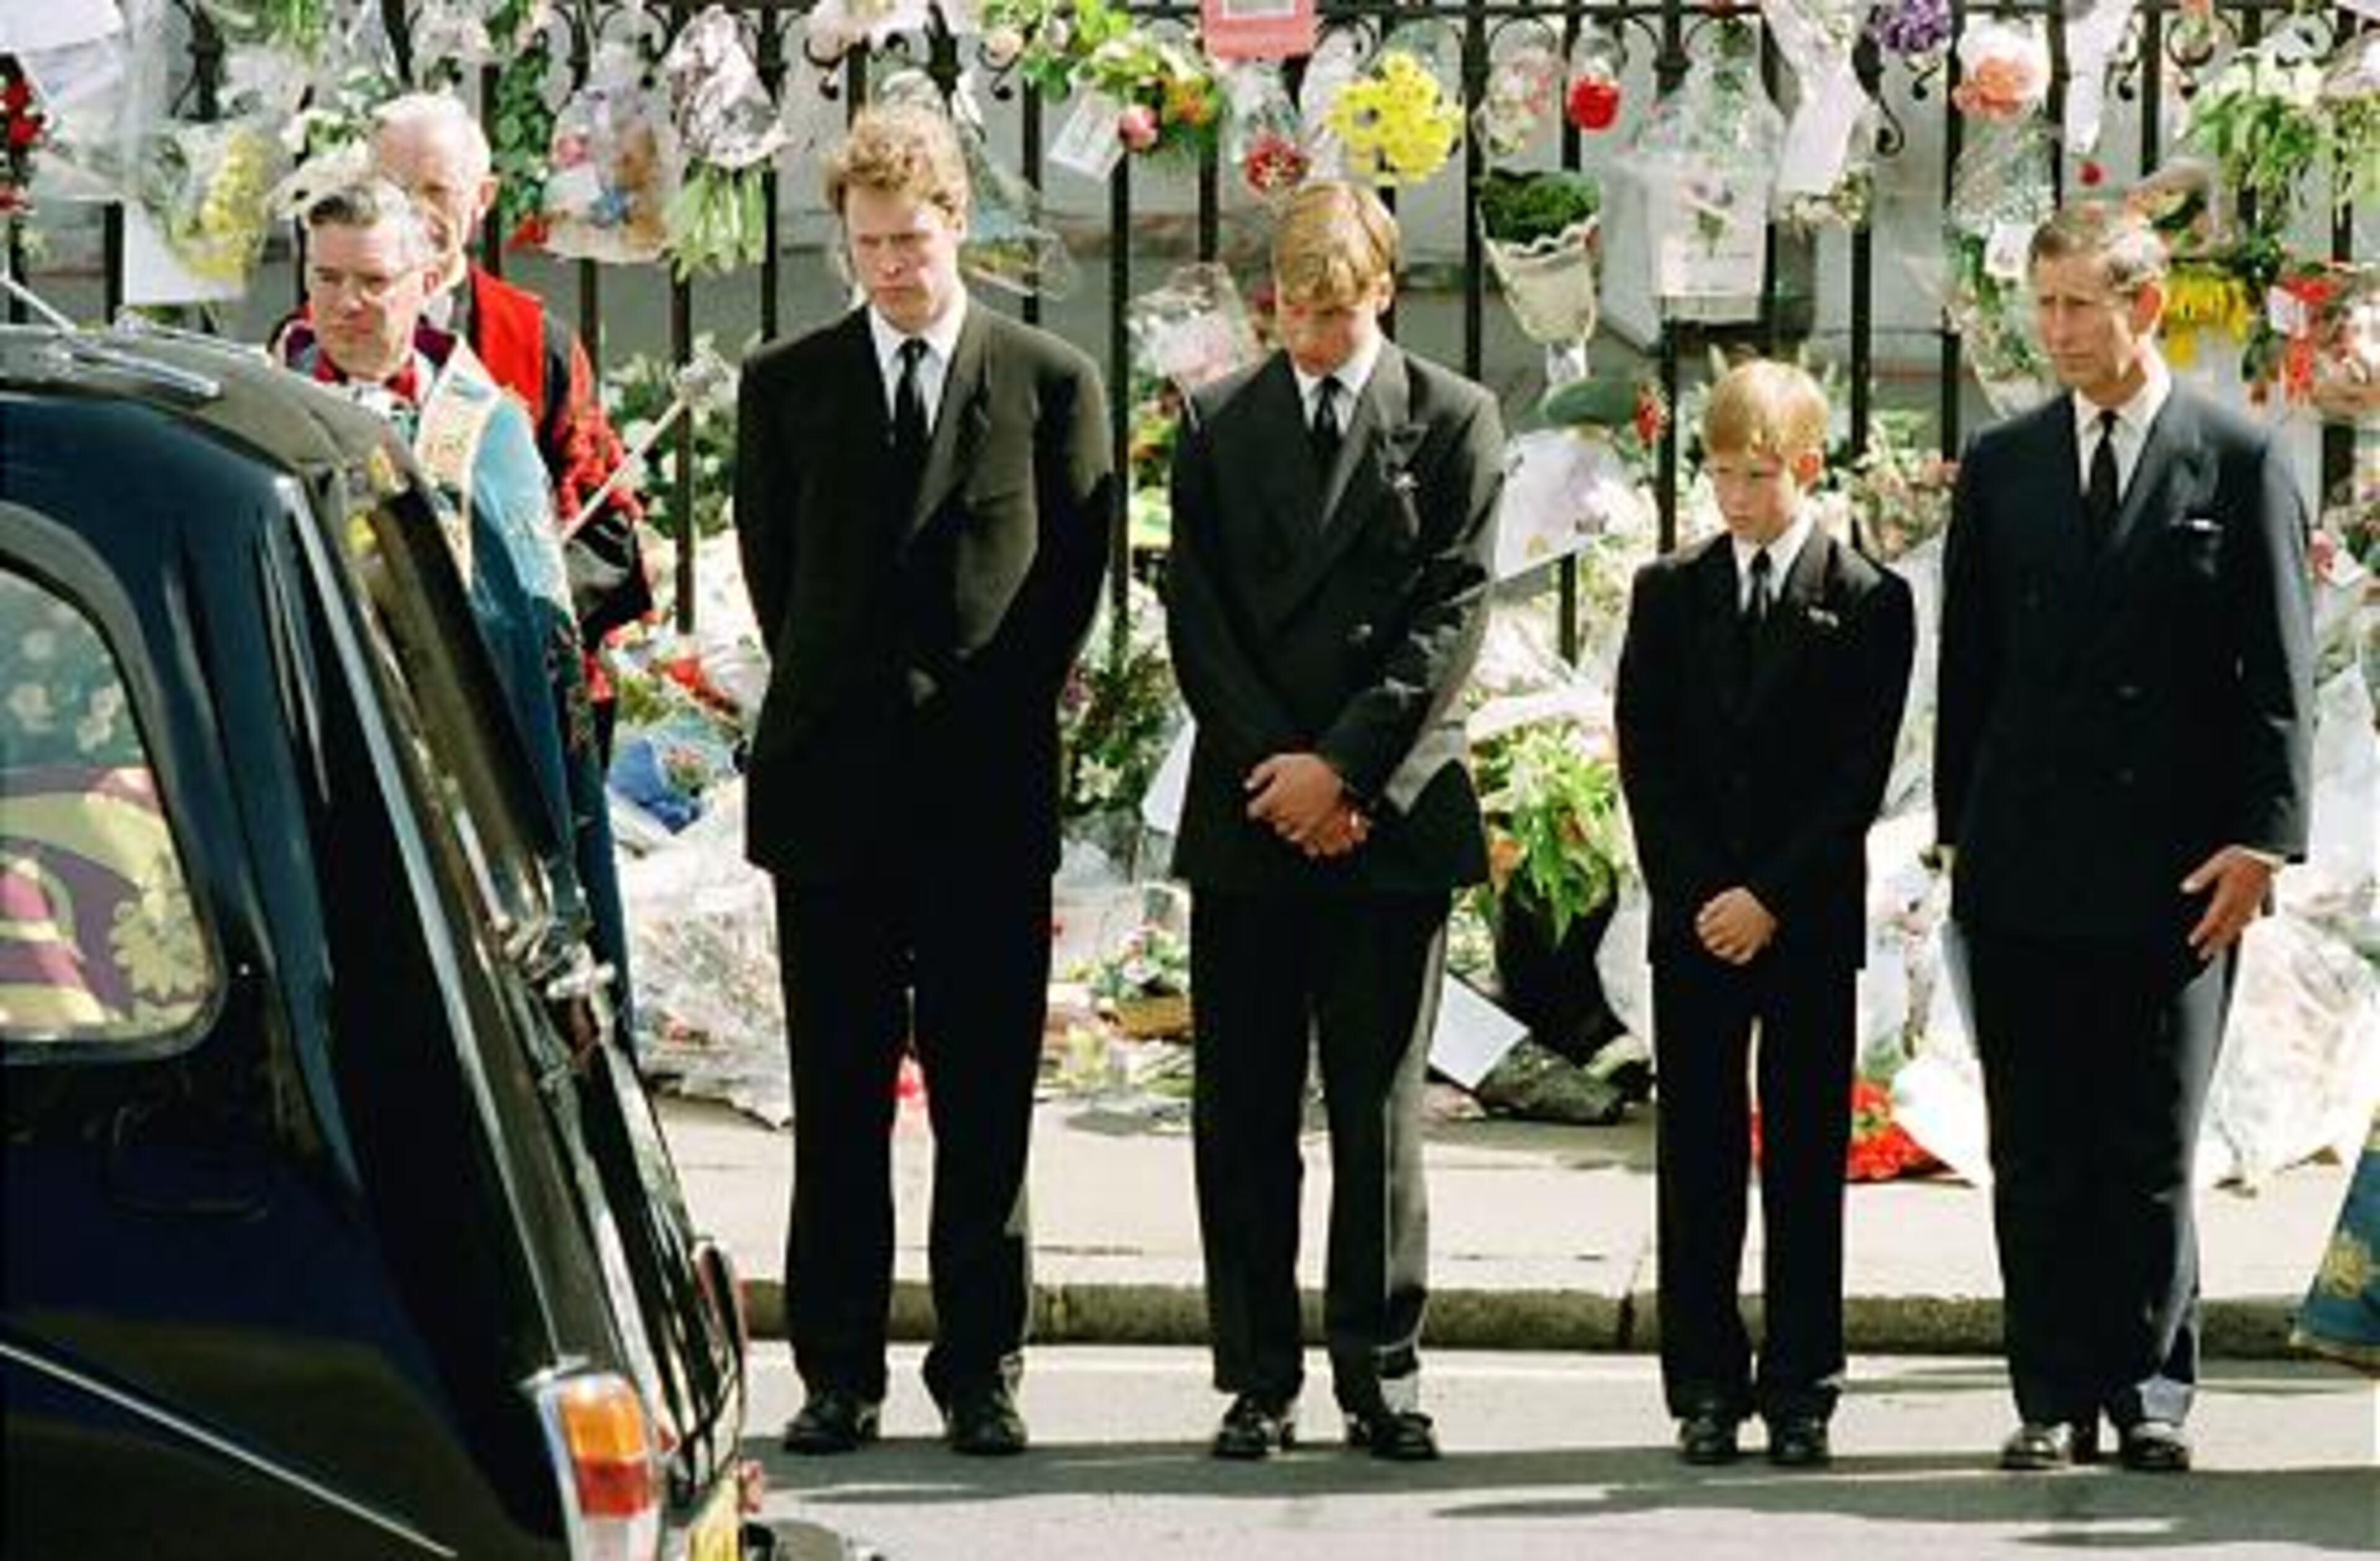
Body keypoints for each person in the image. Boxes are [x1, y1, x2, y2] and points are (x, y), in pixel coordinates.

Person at [734, 103, 1113, 1458]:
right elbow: (782, 579)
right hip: (833, 794)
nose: (894, 265)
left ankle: (981, 1366)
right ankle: (837, 1367)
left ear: (961, 223)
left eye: (914, 237)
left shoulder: (1048, 380)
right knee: (837, 1101)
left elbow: (1073, 578)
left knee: (985, 1100)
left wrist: (976, 718)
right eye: (870, 243)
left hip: (981, 796)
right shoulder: (788, 383)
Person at [1934, 201, 2315, 1474]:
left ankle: (2150, 1386)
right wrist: (1958, 843)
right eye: (2043, 305)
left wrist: (2261, 842)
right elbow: (1971, 673)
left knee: (2150, 1142)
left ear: (2146, 304)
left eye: (2079, 305)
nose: (2057, 332)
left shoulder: (2240, 456)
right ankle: (2049, 1387)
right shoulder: (2004, 462)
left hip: (2178, 867)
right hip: (2027, 856)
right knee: (2035, 1141)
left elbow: (2279, 670)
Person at [1166, 179, 1504, 1463]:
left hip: (1389, 809)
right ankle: (1257, 1370)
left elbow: (1450, 617)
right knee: (1244, 1108)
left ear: (1384, 293)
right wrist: (1280, 771)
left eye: (1332, 313)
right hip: (1257, 807)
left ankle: (1380, 1365)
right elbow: (1197, 614)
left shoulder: (1455, 419)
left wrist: (1346, 776)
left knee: (1375, 1110)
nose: (1309, 337)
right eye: (1292, 314)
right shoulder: (1219, 420)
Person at [1613, 359, 1915, 1470]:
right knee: (1695, 1151)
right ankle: (1703, 1378)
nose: (1736, 499)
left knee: (1800, 1153)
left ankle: (1802, 1383)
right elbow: (1646, 754)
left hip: (1802, 914)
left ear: (1808, 468)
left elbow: (1857, 775)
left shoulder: (1868, 596)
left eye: (1756, 476)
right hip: (1697, 916)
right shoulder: (1670, 587)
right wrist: (1701, 893)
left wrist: (1770, 894)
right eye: (1720, 475)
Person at [273, 178, 615, 982]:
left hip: (453, 779)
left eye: (372, 281)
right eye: (326, 279)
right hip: (307, 756)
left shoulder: (483, 427)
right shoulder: (263, 406)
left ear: (425, 282)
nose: (346, 303)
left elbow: (532, 632)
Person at [371, 91, 651, 763]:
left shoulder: (535, 340)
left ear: (483, 198)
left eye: (437, 189)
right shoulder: (314, 334)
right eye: (393, 188)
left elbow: (607, 531)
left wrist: (506, 619)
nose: (414, 211)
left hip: (512, 693)